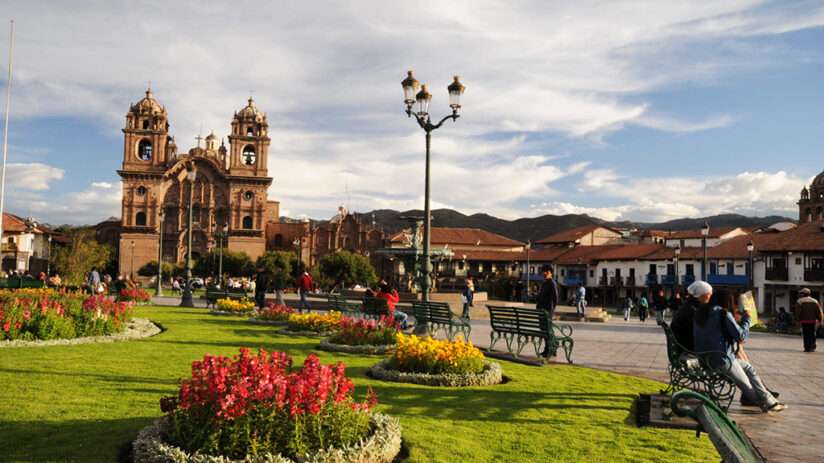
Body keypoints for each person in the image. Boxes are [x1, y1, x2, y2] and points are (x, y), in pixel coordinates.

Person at [693, 289, 787, 413]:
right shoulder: (723, 314)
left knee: (749, 368)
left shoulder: (701, 313)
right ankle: (768, 404)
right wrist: (746, 320)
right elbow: (741, 336)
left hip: (705, 359)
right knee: (747, 387)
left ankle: (770, 401)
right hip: (722, 360)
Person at [671, 281, 711, 351]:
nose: (710, 298)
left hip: (681, 348)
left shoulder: (688, 307)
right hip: (688, 350)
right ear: (700, 295)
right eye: (709, 295)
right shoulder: (692, 312)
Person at [536, 265, 559, 357]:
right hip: (542, 310)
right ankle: (549, 348)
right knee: (545, 331)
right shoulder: (545, 283)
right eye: (543, 271)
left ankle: (550, 348)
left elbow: (555, 298)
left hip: (547, 311)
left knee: (548, 330)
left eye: (547, 272)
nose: (545, 273)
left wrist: (550, 309)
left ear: (551, 273)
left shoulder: (552, 283)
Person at [794, 288, 823, 352]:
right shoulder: (815, 301)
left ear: (804, 293)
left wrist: (797, 318)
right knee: (813, 334)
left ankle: (807, 348)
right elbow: (818, 311)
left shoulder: (800, 301)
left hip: (804, 320)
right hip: (813, 320)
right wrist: (820, 319)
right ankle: (813, 347)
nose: (800, 294)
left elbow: (798, 311)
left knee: (806, 334)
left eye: (801, 293)